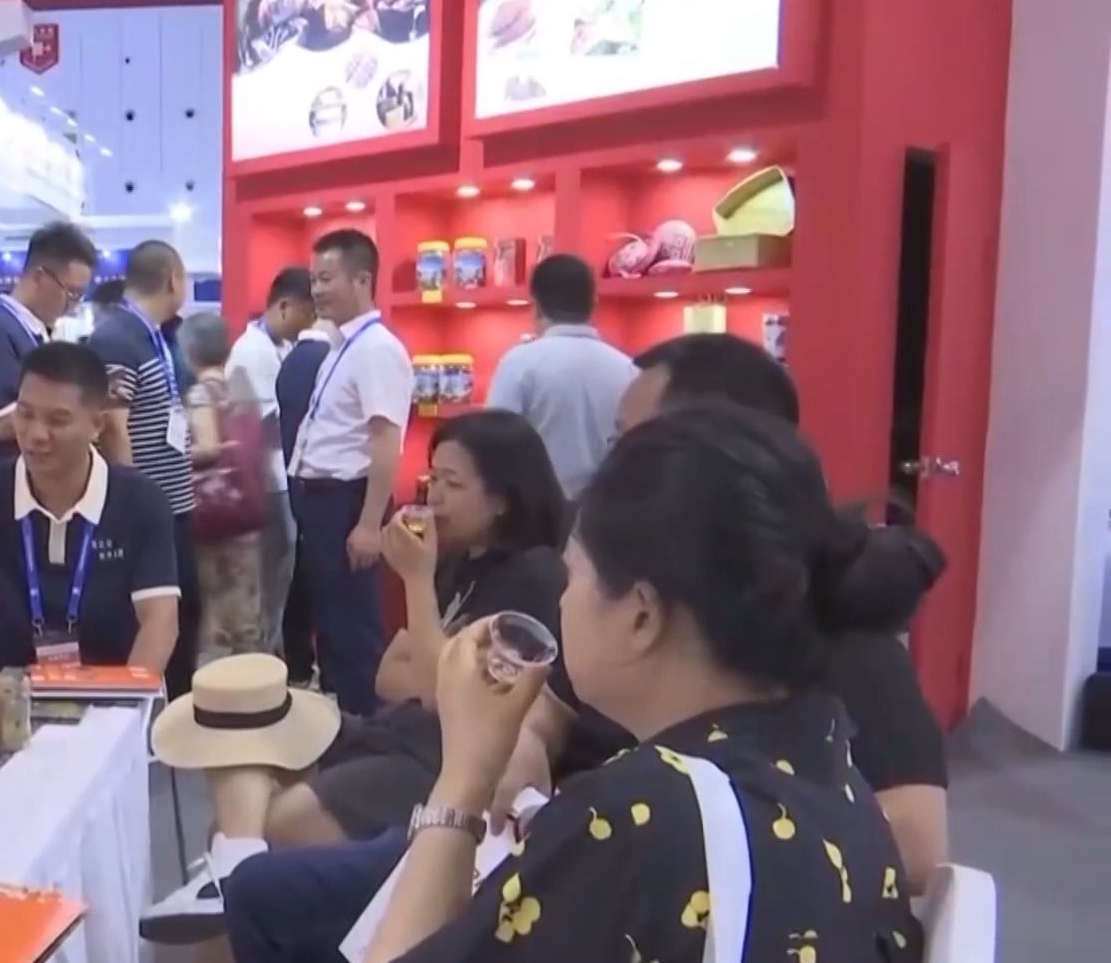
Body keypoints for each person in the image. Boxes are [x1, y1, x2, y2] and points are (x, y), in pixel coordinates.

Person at [359, 405, 934, 963]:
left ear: (641, 616)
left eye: (573, 576)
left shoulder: (635, 816)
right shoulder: (826, 752)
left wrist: (463, 781)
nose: (562, 600)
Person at [497, 332, 949, 894]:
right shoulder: (618, 600)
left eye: (629, 441)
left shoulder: (830, 632)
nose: (613, 466)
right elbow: (547, 710)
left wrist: (657, 838)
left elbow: (919, 841)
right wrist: (525, 753)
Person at [146, 411, 567, 945]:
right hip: (397, 729)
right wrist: (433, 654)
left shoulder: (531, 576)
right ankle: (235, 864)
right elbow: (390, 674)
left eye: (453, 484)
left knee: (261, 832)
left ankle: (237, 872)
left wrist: (416, 584)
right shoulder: (460, 562)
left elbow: (445, 698)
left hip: (437, 759)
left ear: (503, 498)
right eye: (433, 478)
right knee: (242, 738)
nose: (433, 496)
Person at [0, 343, 181, 674]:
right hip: (6, 692)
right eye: (25, 414)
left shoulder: (141, 502)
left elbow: (160, 621)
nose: (36, 434)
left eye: (57, 420)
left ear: (97, 424)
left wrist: (125, 699)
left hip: (112, 688)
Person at [291, 229, 414, 715]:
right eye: (313, 279)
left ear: (362, 280)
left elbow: (386, 440)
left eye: (327, 279)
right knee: (334, 624)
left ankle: (369, 730)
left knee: (355, 629)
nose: (317, 290)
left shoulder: (377, 349)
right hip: (323, 502)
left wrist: (368, 524)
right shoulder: (342, 345)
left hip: (348, 502)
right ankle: (347, 723)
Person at [92, 240, 203, 697]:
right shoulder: (117, 338)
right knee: (162, 620)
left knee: (185, 617)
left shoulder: (152, 336)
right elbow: (113, 428)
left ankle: (178, 710)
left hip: (172, 504)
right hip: (148, 511)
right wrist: (132, 502)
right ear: (173, 279)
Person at [484, 253, 636, 497]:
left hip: (537, 508)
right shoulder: (627, 368)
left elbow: (492, 445)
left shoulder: (519, 363)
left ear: (536, 305)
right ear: (594, 303)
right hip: (608, 507)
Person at [229, 266, 318, 656]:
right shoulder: (251, 352)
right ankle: (262, 658)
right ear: (284, 306)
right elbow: (263, 424)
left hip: (278, 478)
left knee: (281, 579)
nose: (310, 324)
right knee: (270, 580)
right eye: (307, 313)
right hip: (264, 483)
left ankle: (272, 654)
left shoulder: (279, 347)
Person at [0, 222, 99, 473]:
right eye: (71, 292)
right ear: (39, 277)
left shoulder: (33, 333)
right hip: (3, 483)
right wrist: (69, 408)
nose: (73, 305)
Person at [178, 313, 266, 665]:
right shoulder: (240, 390)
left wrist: (175, 457)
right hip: (245, 507)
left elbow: (209, 447)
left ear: (189, 352)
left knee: (213, 610)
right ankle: (254, 677)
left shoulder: (200, 394)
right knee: (247, 606)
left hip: (212, 513)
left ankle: (218, 681)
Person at [277, 317, 337, 686]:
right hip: (325, 491)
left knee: (300, 578)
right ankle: (328, 674)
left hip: (295, 484)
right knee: (328, 587)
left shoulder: (292, 361)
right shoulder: (326, 360)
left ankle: (299, 666)